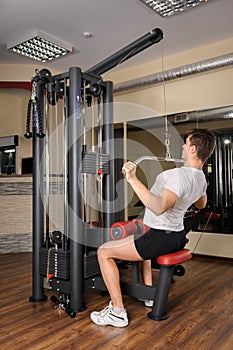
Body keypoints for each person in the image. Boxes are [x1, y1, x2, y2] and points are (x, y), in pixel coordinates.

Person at [90, 128, 216, 327]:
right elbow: (201, 204)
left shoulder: (177, 175)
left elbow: (158, 207)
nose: (182, 146)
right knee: (142, 245)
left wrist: (132, 179)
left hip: (160, 237)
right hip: (176, 235)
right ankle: (148, 295)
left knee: (104, 252)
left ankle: (117, 312)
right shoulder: (200, 178)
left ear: (192, 149)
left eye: (186, 143)